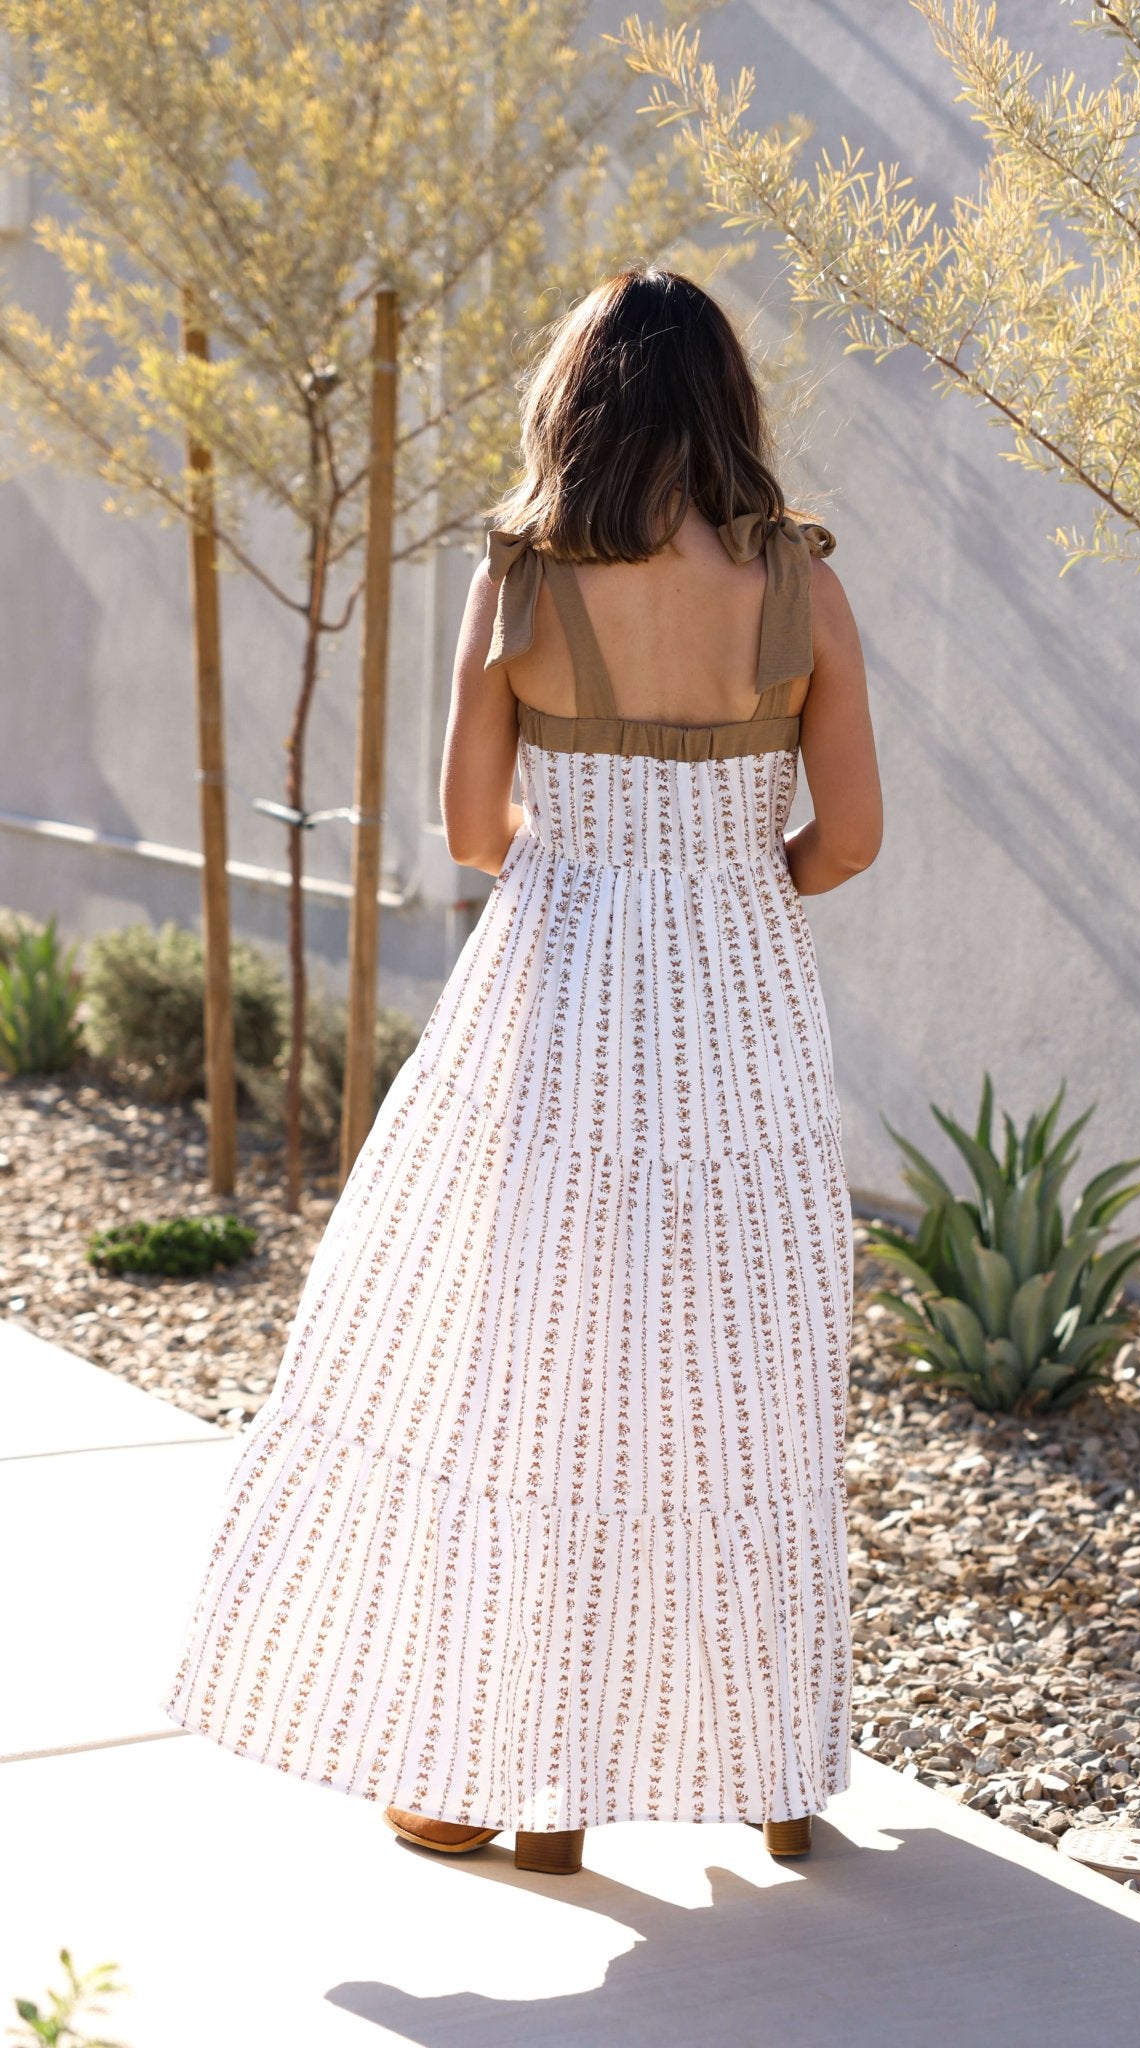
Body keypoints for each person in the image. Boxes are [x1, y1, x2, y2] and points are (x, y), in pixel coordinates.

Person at [159, 264, 882, 1878]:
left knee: (532, 1368)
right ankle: (765, 1769)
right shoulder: (799, 581)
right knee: (729, 1371)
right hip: (738, 1005)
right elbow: (853, 836)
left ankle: (509, 1770)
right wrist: (729, 879)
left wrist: (602, 844)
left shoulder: (524, 575)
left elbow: (472, 832)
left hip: (558, 992)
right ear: (728, 403)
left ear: (581, 401)